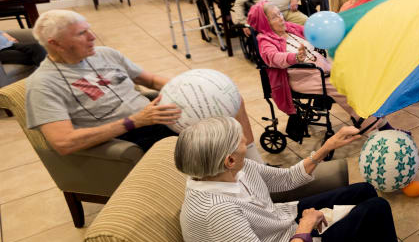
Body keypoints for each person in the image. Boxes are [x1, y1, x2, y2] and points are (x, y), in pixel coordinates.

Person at [177, 116, 419, 242]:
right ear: (228, 160)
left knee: (364, 190)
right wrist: (304, 230)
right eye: (239, 140)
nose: (246, 140)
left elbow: (285, 179)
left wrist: (327, 147)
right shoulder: (218, 213)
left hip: (281, 223)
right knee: (377, 209)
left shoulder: (231, 170)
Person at [25, 10, 258, 156]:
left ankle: (254, 167)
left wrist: (196, 86)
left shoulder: (104, 54)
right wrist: (134, 121)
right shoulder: (43, 84)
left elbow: (151, 80)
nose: (92, 37)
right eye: (81, 34)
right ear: (55, 44)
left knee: (230, 99)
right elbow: (63, 143)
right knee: (216, 142)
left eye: (89, 30)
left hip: (154, 116)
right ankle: (236, 184)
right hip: (125, 134)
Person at [247, 2, 392, 132]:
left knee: (355, 73)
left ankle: (372, 115)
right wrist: (295, 57)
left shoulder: (290, 28)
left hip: (320, 66)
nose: (281, 18)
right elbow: (273, 58)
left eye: (279, 13)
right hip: (302, 77)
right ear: (265, 23)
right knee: (342, 86)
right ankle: (372, 123)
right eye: (274, 17)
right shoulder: (265, 41)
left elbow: (315, 32)